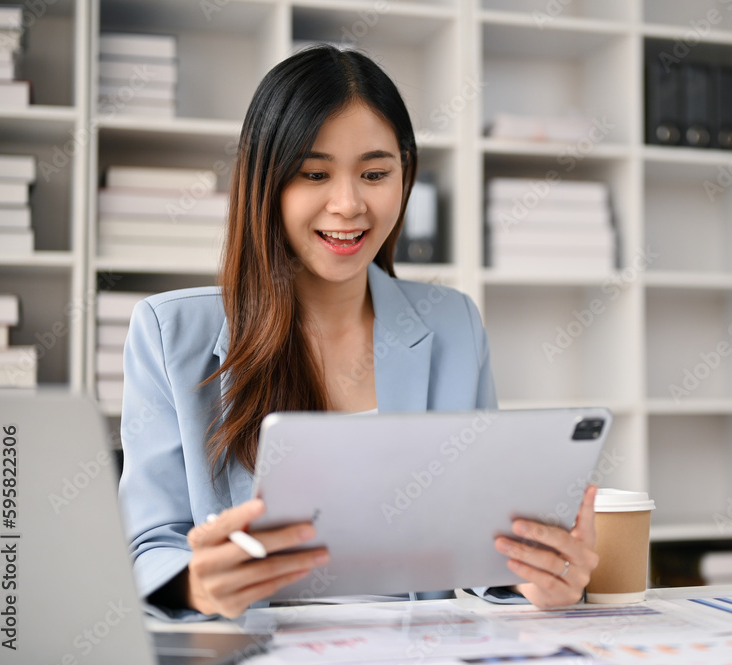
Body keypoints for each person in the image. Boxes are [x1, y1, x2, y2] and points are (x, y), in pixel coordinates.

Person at [118, 45, 599, 621]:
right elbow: (148, 544)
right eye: (314, 174)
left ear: (405, 175)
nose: (348, 204)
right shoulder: (168, 334)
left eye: (374, 174)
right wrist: (194, 586)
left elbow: (482, 536)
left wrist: (536, 578)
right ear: (263, 184)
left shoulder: (454, 324)